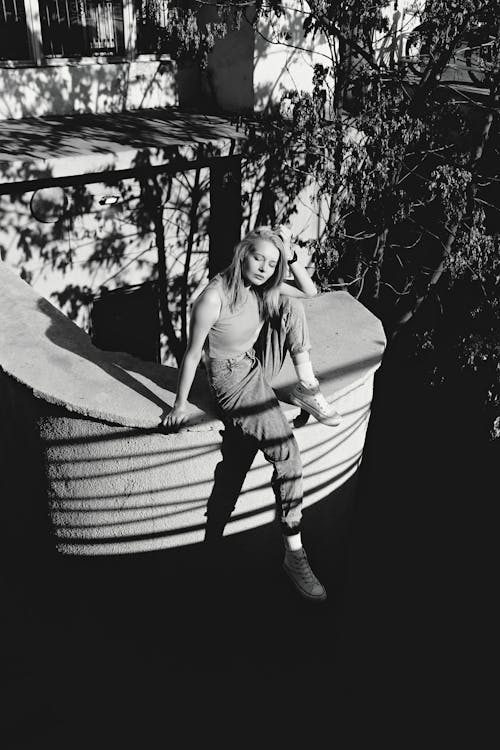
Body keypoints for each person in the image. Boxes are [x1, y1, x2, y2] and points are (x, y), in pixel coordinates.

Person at [162, 226, 342, 602]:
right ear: (242, 254)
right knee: (286, 454)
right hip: (231, 381)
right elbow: (193, 354)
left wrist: (290, 256)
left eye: (271, 262)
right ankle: (295, 554)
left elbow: (310, 292)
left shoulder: (263, 288)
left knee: (292, 304)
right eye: (258, 257)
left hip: (255, 362)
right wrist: (179, 405)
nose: (263, 267)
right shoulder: (214, 298)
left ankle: (306, 386)